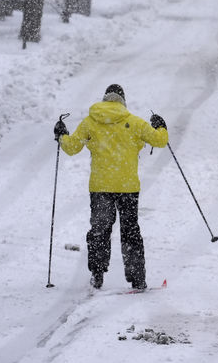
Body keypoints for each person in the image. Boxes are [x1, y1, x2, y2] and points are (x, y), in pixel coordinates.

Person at [53, 84, 169, 290]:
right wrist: (160, 125)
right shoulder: (135, 122)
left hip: (101, 187)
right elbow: (160, 141)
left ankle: (97, 274)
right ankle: (137, 279)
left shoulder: (91, 122)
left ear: (105, 99)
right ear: (123, 101)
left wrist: (61, 134)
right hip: (128, 187)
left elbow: (71, 148)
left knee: (100, 230)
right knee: (130, 231)